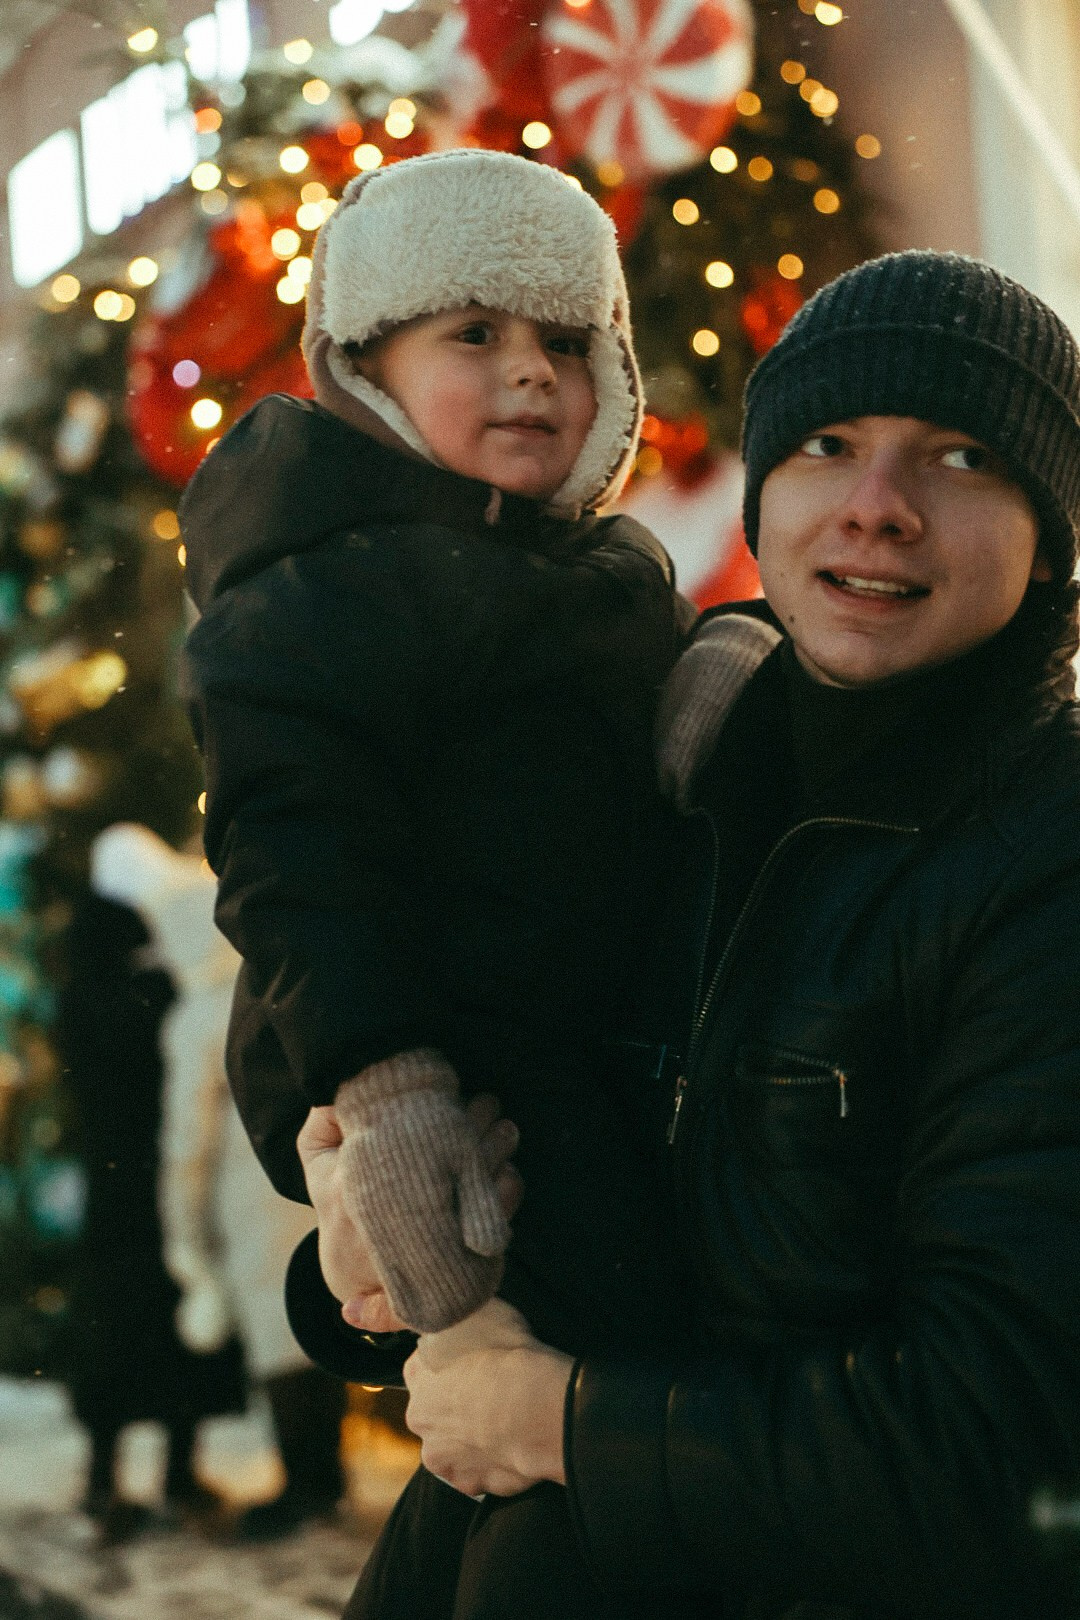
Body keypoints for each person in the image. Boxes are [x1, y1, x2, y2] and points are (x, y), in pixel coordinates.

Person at [307, 250, 1080, 1620]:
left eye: (962, 457)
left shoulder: (1043, 860)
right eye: (829, 445)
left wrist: (564, 1423)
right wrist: (368, 1262)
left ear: (1055, 531)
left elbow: (1003, 1433)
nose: (879, 508)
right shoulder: (663, 768)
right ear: (766, 486)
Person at [181, 150, 769, 1605]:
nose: (531, 377)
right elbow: (293, 848)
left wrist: (716, 671)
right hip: (445, 1059)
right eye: (475, 335)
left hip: (583, 1049)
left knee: (573, 1409)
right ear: (364, 365)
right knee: (572, 1379)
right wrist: (384, 1082)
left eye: (567, 344)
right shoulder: (318, 588)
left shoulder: (605, 577)